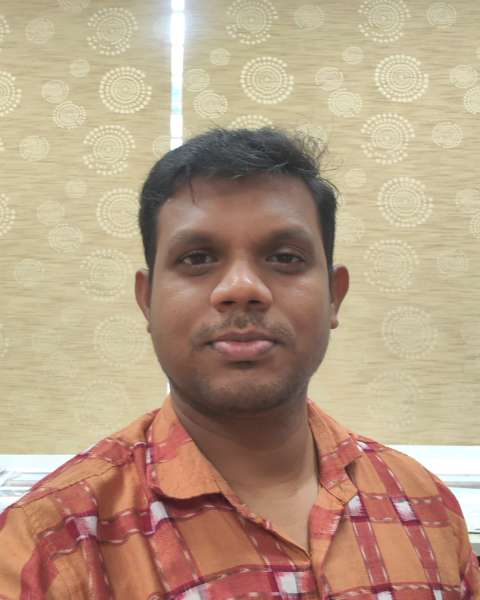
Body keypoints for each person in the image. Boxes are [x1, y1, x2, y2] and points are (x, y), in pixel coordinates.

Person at [0, 128, 478, 599]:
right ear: (147, 301)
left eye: (285, 257)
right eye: (197, 258)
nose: (242, 288)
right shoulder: (49, 544)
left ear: (335, 296)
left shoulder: (428, 506)